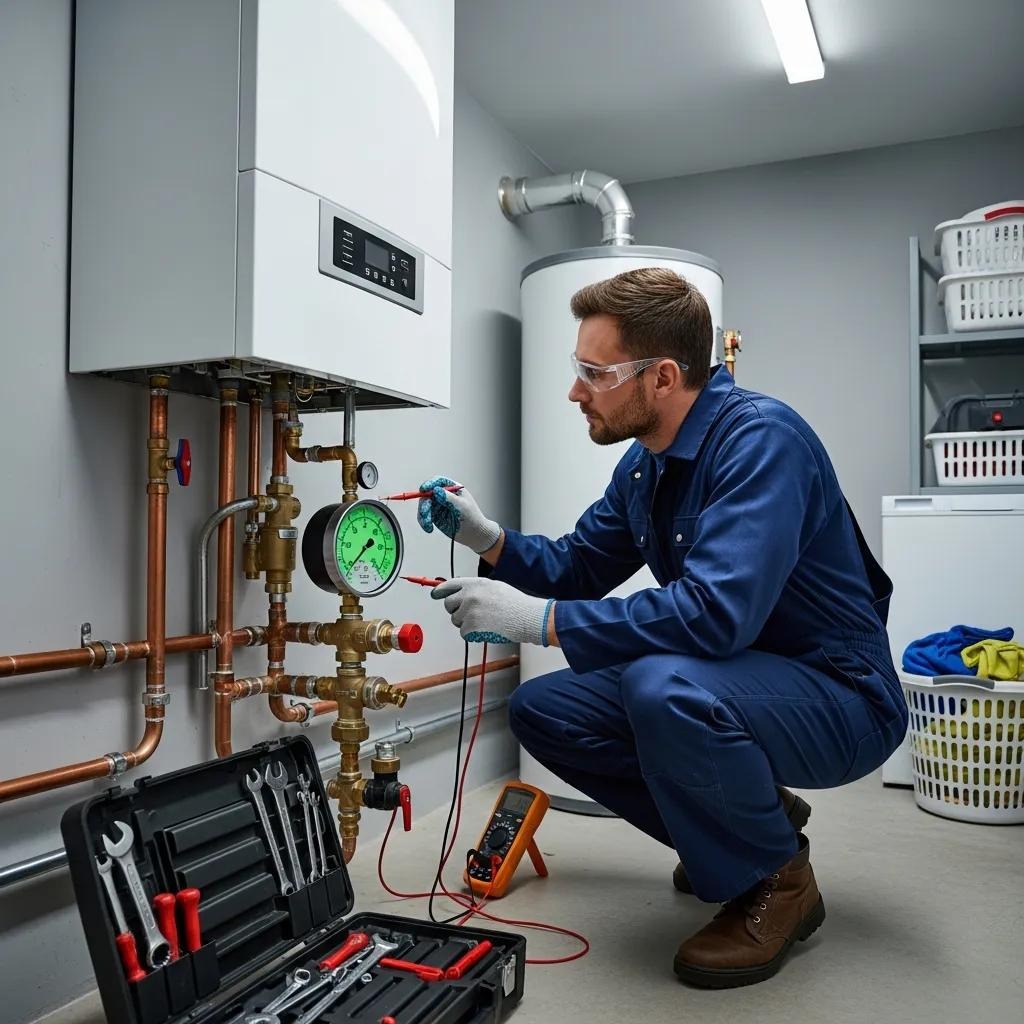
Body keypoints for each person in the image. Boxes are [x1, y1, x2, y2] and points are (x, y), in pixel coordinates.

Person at [418, 267, 907, 989]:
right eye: (575, 368)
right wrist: (490, 538)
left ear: (664, 376)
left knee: (660, 684)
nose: (575, 390)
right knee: (545, 710)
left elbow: (713, 616)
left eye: (595, 372)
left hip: (841, 696)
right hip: (740, 679)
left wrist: (536, 621)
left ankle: (780, 880)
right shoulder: (645, 467)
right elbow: (580, 564)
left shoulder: (762, 443)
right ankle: (752, 823)